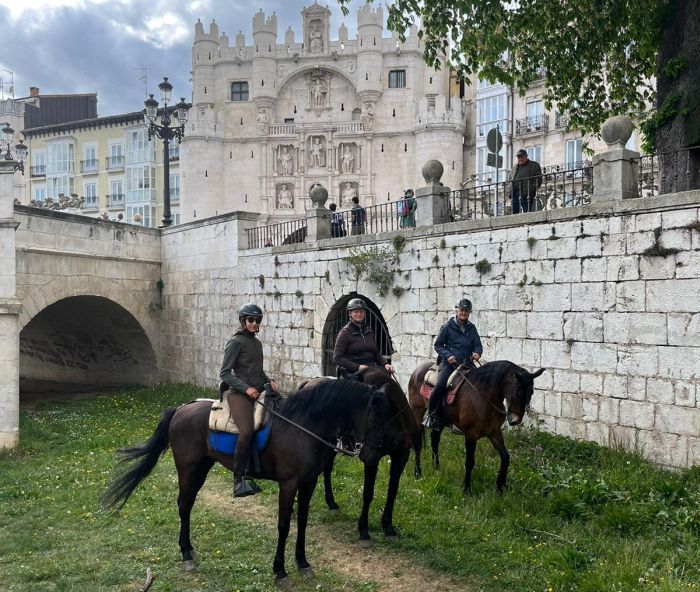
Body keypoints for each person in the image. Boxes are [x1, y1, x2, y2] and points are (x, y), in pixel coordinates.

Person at [219, 303, 277, 497]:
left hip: (259, 391)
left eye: (257, 320)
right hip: (238, 394)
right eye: (251, 320)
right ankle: (238, 480)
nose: (254, 323)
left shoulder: (256, 343)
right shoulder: (236, 342)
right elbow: (225, 373)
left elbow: (256, 370)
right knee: (246, 431)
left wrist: (269, 380)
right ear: (243, 321)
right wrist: (246, 389)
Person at [423, 298, 483, 429]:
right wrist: (448, 355)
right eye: (461, 310)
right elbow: (438, 345)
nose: (463, 313)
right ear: (456, 310)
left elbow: (478, 345)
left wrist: (477, 353)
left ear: (469, 313)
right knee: (440, 385)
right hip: (450, 364)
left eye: (466, 311)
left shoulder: (472, 328)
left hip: (467, 364)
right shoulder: (447, 327)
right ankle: (431, 415)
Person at [333, 298, 395, 376]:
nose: (359, 314)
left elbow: (376, 353)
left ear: (365, 313)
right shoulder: (345, 332)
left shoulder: (369, 331)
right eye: (356, 311)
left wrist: (385, 364)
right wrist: (357, 367)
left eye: (361, 311)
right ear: (350, 313)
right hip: (352, 372)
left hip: (370, 369)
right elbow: (337, 358)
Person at [509, 149, 542, 214]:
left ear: (526, 156)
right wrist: (510, 192)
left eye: (522, 157)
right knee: (514, 213)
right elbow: (510, 179)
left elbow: (538, 180)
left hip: (527, 194)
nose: (520, 159)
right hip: (515, 193)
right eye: (519, 157)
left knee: (527, 212)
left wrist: (530, 190)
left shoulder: (534, 165)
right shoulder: (515, 168)